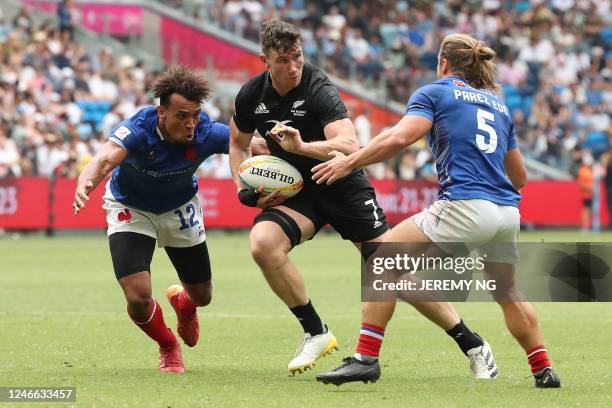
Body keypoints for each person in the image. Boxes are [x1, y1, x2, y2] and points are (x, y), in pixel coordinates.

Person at [229, 20, 498, 378]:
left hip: (343, 184)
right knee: (263, 245)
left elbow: (348, 145)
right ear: (265, 60)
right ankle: (316, 331)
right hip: (299, 192)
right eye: (283, 60)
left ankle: (472, 343)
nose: (293, 67)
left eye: (297, 57)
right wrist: (241, 187)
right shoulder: (251, 95)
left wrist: (303, 147)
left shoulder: (318, 88)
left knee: (391, 269)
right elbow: (237, 142)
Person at [312, 33, 561, 388]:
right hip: (506, 213)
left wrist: (349, 162)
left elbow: (400, 137)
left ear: (443, 62)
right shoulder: (498, 105)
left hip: (466, 206)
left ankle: (366, 358)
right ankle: (543, 369)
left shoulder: (435, 92)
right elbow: (519, 176)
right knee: (507, 292)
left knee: (381, 261)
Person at [73, 66, 265, 373]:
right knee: (137, 295)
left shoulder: (206, 132)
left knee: (203, 296)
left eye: (195, 115)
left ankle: (184, 304)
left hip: (180, 207)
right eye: (182, 116)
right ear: (162, 112)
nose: (190, 124)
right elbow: (105, 158)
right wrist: (86, 181)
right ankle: (167, 345)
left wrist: (295, 154)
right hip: (130, 207)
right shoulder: (138, 130)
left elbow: (252, 145)